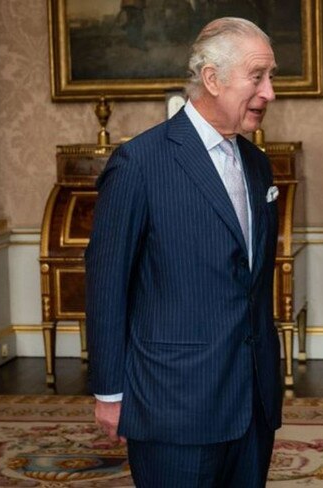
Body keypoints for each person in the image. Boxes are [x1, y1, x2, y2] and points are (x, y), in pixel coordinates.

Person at [85, 17, 281, 487]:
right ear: (212, 79)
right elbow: (106, 281)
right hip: (174, 404)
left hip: (252, 400)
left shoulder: (257, 164)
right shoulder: (141, 163)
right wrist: (109, 391)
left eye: (271, 76)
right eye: (258, 76)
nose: (270, 92)